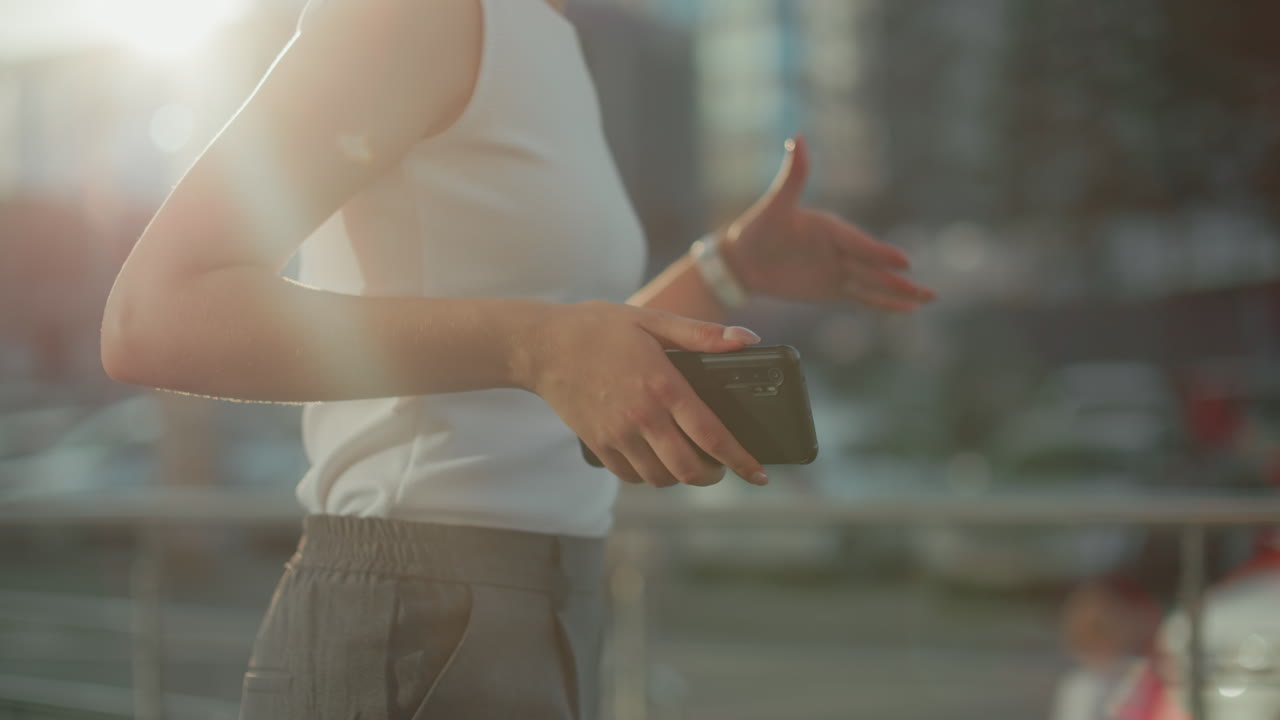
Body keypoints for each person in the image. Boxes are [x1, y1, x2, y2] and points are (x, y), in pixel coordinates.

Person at [99, 0, 935, 717]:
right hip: (413, 616)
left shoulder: (549, 37)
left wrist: (729, 268)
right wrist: (533, 343)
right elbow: (154, 315)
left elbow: (553, 365)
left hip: (550, 600)